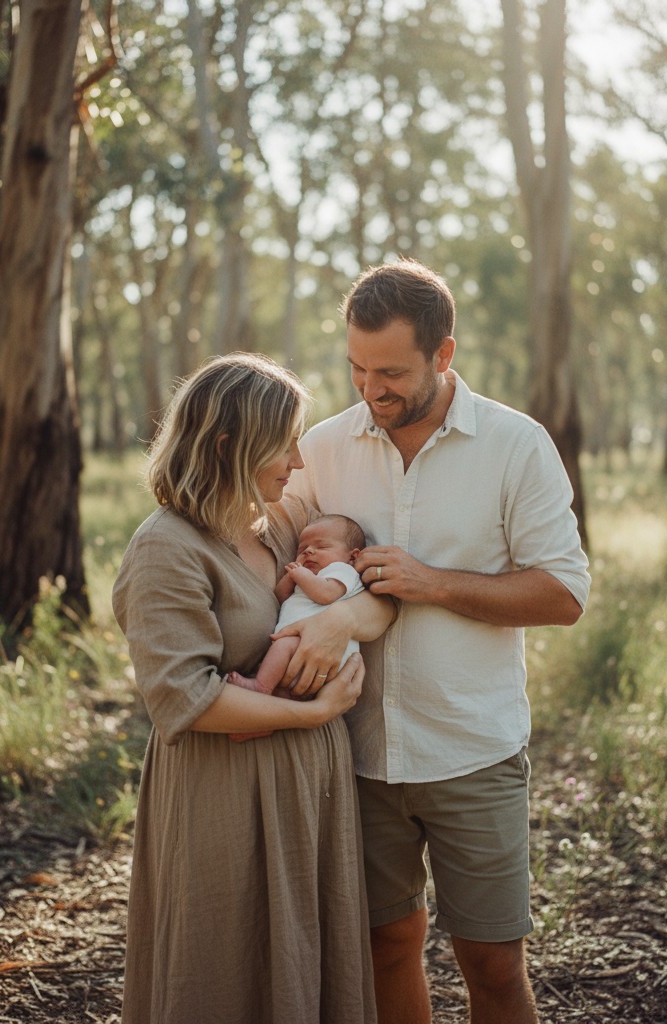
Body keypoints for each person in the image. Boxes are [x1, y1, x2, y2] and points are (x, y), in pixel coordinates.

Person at [288, 258, 591, 1024]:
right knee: (384, 946)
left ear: (443, 355)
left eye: (390, 371)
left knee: (491, 964)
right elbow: (261, 544)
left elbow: (563, 594)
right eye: (356, 368)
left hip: (473, 751)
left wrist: (431, 582)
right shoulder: (321, 449)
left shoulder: (517, 447)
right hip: (353, 756)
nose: (370, 389)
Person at [112, 352, 391, 1024]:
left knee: (303, 961)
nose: (299, 462)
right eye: (285, 442)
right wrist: (313, 713)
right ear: (227, 443)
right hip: (222, 788)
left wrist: (342, 622)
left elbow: (379, 599)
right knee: (225, 965)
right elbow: (185, 698)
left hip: (309, 785)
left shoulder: (282, 530)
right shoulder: (167, 548)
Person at [228, 514, 367, 741]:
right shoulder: (308, 577)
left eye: (321, 546)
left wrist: (300, 574)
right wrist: (291, 577)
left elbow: (325, 594)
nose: (309, 552)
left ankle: (260, 687)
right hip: (304, 654)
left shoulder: (342, 571)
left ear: (352, 556)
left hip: (324, 652)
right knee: (285, 694)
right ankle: (260, 724)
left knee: (285, 645)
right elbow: (278, 598)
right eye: (303, 548)